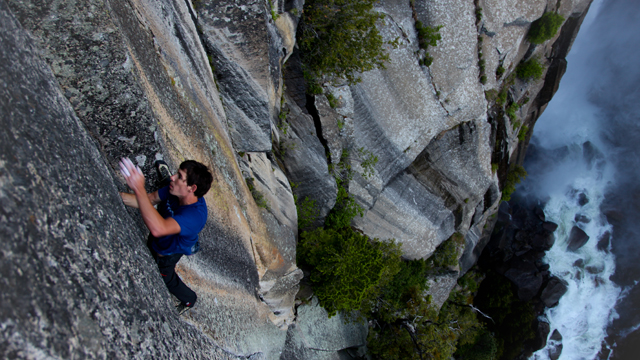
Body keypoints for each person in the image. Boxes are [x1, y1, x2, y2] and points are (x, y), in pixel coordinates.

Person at [119, 158, 213, 314]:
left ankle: (189, 299)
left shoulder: (195, 216)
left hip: (168, 252)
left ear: (192, 188)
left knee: (166, 277)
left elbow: (159, 228)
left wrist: (138, 188)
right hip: (159, 238)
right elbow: (148, 200)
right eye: (176, 174)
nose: (172, 178)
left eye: (179, 177)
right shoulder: (173, 189)